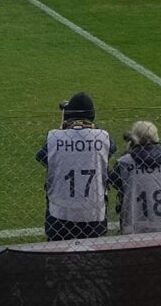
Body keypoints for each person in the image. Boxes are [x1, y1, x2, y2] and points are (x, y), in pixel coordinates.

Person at [37, 92, 115, 241]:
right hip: (94, 217)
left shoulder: (55, 137)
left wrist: (64, 130)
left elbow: (42, 156)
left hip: (60, 217)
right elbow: (110, 148)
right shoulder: (103, 137)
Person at [110, 121, 161, 234]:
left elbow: (115, 182)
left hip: (132, 230)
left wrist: (128, 152)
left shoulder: (124, 162)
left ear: (134, 140)